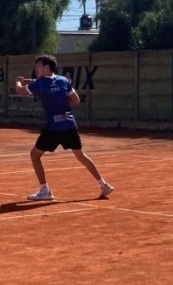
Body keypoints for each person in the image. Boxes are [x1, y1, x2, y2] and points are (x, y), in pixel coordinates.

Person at [14, 54, 114, 201]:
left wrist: (17, 82)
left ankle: (45, 190)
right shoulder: (63, 81)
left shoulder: (40, 83)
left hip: (53, 128)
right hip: (69, 124)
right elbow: (76, 101)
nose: (36, 69)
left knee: (35, 155)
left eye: (39, 66)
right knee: (81, 156)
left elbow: (20, 91)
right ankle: (104, 184)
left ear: (47, 67)